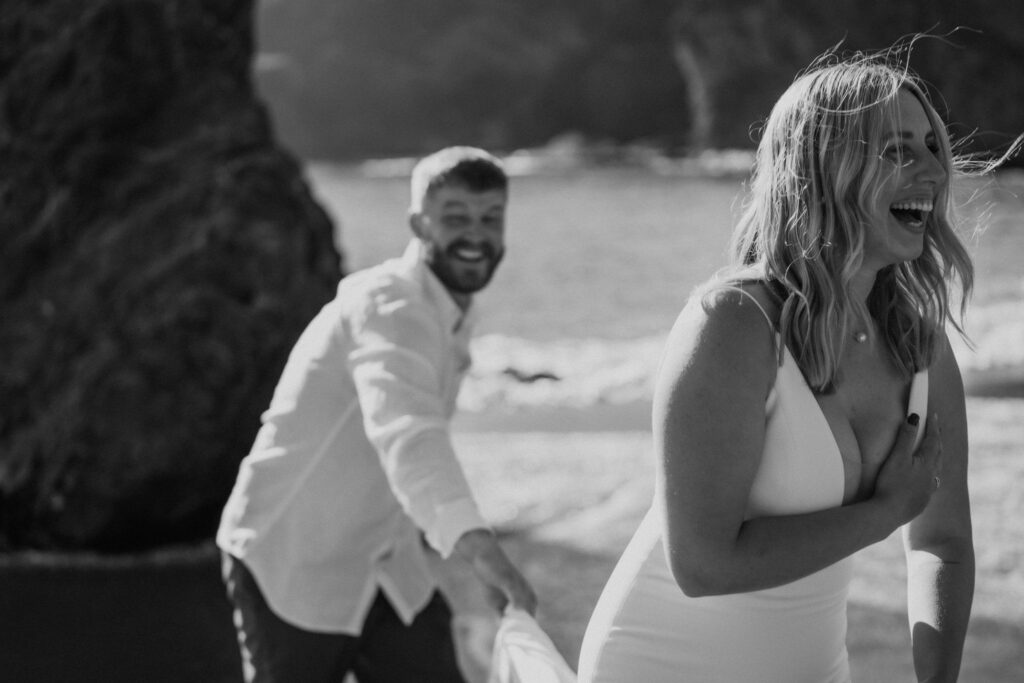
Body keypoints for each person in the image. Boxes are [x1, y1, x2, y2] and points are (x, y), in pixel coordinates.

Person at [578, 53, 982, 682]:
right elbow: (703, 565)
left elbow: (942, 542)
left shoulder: (920, 345)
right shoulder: (734, 323)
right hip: (661, 664)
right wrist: (883, 513)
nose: (933, 170)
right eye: (898, 150)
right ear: (826, 169)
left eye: (932, 145)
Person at [217, 146, 537, 683]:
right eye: (456, 218)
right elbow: (408, 433)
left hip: (386, 566)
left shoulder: (450, 309)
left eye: (491, 218)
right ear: (419, 224)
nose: (476, 236)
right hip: (293, 563)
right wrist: (480, 549)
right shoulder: (391, 307)